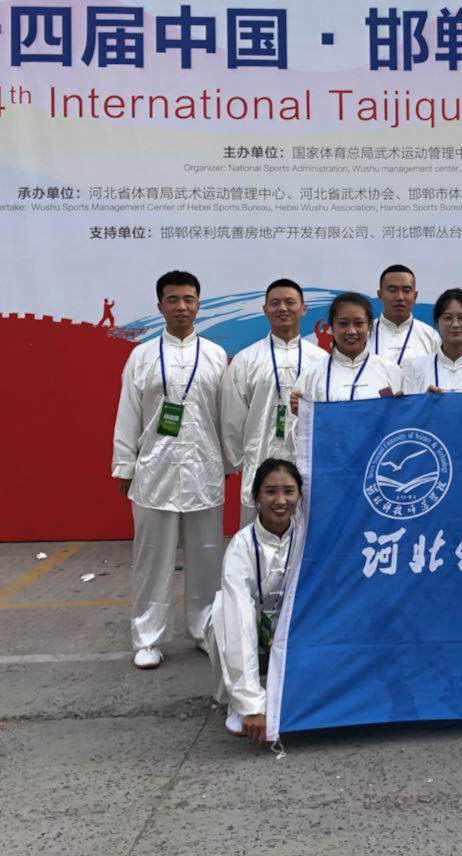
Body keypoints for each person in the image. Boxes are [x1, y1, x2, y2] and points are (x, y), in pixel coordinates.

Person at [111, 270, 231, 671]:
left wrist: (228, 461)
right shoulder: (142, 356)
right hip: (154, 468)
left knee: (207, 556)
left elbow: (226, 415)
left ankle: (205, 629)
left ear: (199, 304)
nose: (182, 307)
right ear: (160, 305)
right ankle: (148, 637)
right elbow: (128, 412)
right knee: (151, 557)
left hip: (204, 467)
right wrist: (125, 464)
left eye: (189, 299)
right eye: (173, 299)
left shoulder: (216, 355)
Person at [206, 457, 303, 745]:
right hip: (254, 623)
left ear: (300, 495)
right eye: (271, 491)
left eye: (289, 491)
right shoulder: (241, 545)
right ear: (256, 496)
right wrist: (251, 705)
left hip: (293, 626)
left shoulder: (308, 536)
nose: (281, 501)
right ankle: (237, 699)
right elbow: (240, 619)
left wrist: (286, 633)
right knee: (223, 610)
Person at [220, 279, 328, 515]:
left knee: (306, 527)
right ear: (265, 310)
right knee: (257, 532)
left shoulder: (321, 360)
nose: (283, 308)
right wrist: (237, 460)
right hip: (259, 461)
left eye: (290, 302)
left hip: (308, 465)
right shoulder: (246, 359)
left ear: (304, 308)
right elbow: (232, 420)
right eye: (275, 303)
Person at [291, 292, 402, 410]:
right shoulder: (312, 374)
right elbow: (300, 419)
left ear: (369, 327)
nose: (351, 331)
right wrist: (300, 412)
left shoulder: (389, 370)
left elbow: (402, 418)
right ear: (331, 328)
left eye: (359, 323)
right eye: (343, 324)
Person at [370, 264, 440, 363]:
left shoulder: (430, 336)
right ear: (380, 295)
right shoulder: (365, 334)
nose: (400, 297)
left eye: (406, 291)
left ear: (415, 296)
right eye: (392, 290)